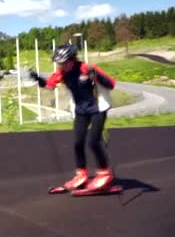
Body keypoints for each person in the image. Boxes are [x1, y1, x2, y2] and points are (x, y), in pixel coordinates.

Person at [29, 44, 116, 191]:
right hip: (81, 110)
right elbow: (50, 85)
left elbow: (111, 84)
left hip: (98, 108)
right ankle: (81, 174)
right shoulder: (62, 73)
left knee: (94, 142)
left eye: (63, 63)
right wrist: (38, 78)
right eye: (59, 63)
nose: (61, 66)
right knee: (78, 142)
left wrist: (96, 76)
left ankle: (105, 173)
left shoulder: (86, 68)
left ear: (71, 60)